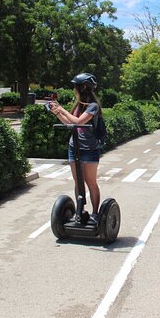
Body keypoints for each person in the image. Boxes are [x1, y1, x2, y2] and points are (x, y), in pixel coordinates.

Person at [48, 73, 103, 225]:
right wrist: (57, 112)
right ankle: (80, 211)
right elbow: (70, 123)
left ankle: (95, 214)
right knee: (78, 182)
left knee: (90, 182)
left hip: (89, 149)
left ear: (83, 87)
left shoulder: (93, 106)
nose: (74, 89)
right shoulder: (78, 106)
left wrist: (62, 109)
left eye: (76, 86)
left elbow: (79, 121)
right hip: (75, 147)